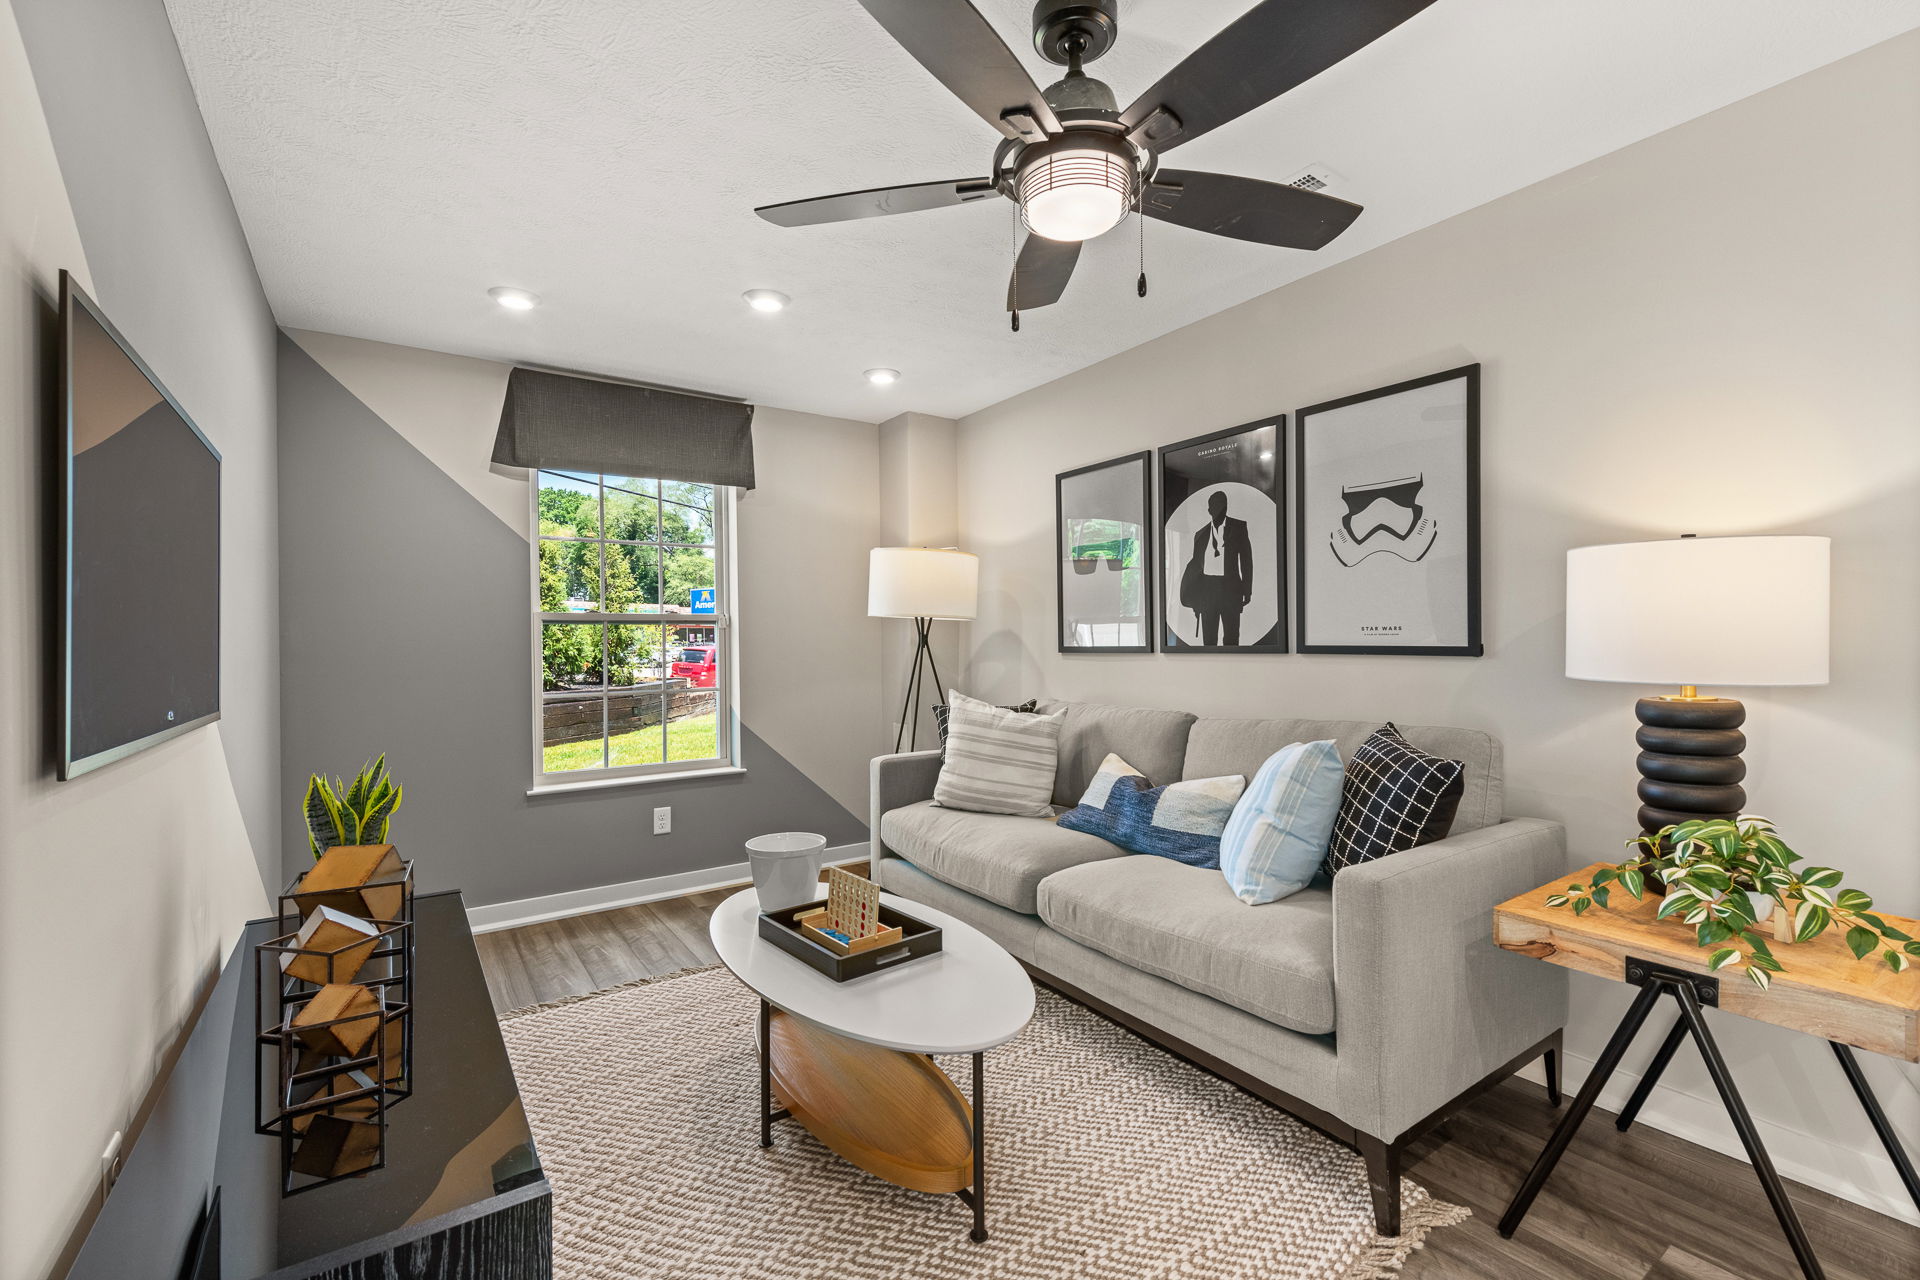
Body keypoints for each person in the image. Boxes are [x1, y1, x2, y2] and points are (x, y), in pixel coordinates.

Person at [1179, 490, 1252, 646]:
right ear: (1209, 510)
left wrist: (1247, 590)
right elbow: (1195, 570)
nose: (1219, 509)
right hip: (1207, 590)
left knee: (1232, 639)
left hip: (1231, 588)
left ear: (1226, 507)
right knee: (1209, 640)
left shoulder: (1238, 527)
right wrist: (1196, 599)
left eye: (1222, 505)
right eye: (1215, 506)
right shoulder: (1200, 535)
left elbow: (1246, 560)